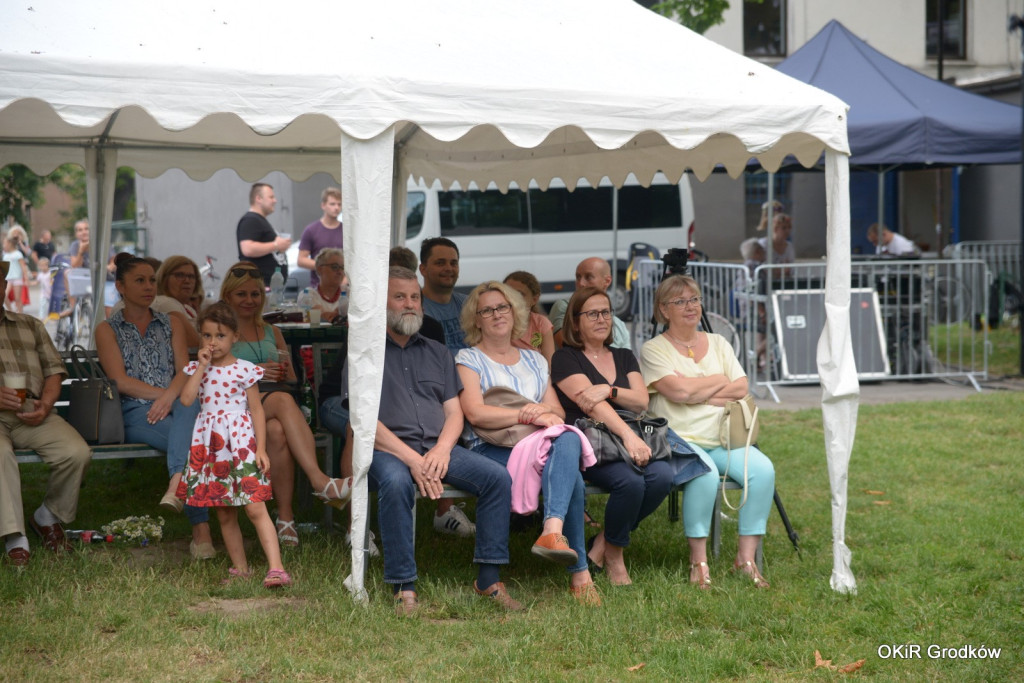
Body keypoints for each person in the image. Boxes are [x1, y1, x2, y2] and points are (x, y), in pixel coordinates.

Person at [343, 267, 521, 615]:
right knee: (395, 483)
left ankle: (488, 579)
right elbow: (363, 421)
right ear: (383, 304)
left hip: (439, 448)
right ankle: (403, 586)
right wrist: (412, 458)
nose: (409, 304)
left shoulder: (438, 351)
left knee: (497, 478)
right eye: (400, 297)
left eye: (414, 297)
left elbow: (455, 413)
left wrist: (440, 450)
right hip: (388, 450)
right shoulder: (365, 353)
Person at [456, 281, 601, 605]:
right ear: (476, 319)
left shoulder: (534, 358)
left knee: (565, 436)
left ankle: (553, 532)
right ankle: (579, 572)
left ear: (515, 312)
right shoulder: (469, 358)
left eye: (503, 307)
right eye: (487, 310)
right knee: (571, 468)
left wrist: (541, 414)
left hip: (536, 442)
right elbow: (476, 414)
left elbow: (558, 411)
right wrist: (527, 414)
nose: (496, 314)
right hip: (491, 445)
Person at [640, 274, 775, 589]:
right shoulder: (653, 349)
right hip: (681, 441)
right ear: (663, 309)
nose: (690, 307)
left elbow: (741, 386)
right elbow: (677, 393)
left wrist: (694, 390)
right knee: (704, 473)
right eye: (680, 301)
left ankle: (745, 558)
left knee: (764, 470)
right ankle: (698, 561)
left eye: (695, 299)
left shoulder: (718, 342)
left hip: (726, 437)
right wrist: (715, 380)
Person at [220, 262, 351, 547]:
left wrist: (278, 372)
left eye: (255, 294)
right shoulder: (220, 331)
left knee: (278, 430)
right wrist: (255, 371)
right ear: (228, 296)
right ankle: (319, 481)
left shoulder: (271, 331)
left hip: (269, 404)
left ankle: (285, 518)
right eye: (241, 294)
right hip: (232, 406)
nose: (249, 300)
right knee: (281, 401)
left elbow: (291, 377)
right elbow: (213, 377)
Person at [94, 253, 215, 559]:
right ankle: (201, 532)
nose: (149, 286)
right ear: (120, 286)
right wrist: (163, 396)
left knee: (189, 403)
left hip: (177, 403)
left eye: (151, 280)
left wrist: (170, 396)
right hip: (135, 412)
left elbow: (184, 371)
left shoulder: (171, 322)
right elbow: (120, 382)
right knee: (193, 441)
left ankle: (177, 484)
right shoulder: (107, 329)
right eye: (140, 280)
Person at [551, 286, 674, 587]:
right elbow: (589, 405)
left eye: (606, 312)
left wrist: (609, 389)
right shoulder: (565, 358)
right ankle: (616, 557)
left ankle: (604, 544)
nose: (601, 318)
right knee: (630, 482)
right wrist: (630, 439)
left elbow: (641, 401)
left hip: (632, 434)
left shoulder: (623, 355)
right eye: (592, 313)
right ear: (575, 320)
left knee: (662, 477)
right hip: (594, 444)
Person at [178, 302, 290, 588]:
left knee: (254, 506)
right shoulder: (197, 369)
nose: (213, 342)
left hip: (241, 444)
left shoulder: (245, 370)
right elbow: (187, 400)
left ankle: (276, 568)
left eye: (220, 335)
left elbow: (257, 410)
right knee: (224, 509)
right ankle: (241, 568)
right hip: (212, 446)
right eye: (206, 336)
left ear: (234, 337)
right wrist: (201, 366)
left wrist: (261, 448)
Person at [0, 260, 92, 567]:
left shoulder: (30, 324)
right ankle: (15, 536)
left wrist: (47, 403)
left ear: (5, 288)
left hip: (31, 412)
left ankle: (48, 515)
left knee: (75, 452)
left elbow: (54, 370)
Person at [417, 237, 476, 537]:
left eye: (453, 262)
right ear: (422, 268)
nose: (448, 268)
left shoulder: (468, 304)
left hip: (473, 383)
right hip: (435, 387)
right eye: (440, 262)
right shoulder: (416, 306)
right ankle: (444, 510)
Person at [111, 255, 203, 348]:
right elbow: (196, 345)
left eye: (191, 276)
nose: (187, 280)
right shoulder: (166, 303)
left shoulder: (186, 307)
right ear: (164, 277)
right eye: (179, 275)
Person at [548, 257, 630, 349]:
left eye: (589, 277)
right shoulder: (564, 307)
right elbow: (566, 345)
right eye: (578, 277)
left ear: (607, 281)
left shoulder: (620, 325)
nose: (581, 283)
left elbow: (628, 360)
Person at [237, 183, 291, 286]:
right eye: (271, 197)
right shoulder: (250, 220)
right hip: (258, 287)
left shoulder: (259, 220)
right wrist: (276, 245)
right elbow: (248, 249)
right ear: (258, 198)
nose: (275, 201)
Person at [503, 270, 555, 366]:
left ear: (534, 299)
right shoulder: (498, 321)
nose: (512, 298)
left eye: (520, 294)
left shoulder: (541, 323)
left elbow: (549, 364)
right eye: (508, 293)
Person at [297, 187, 343, 289]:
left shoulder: (346, 231)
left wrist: (345, 279)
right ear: (323, 205)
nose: (336, 207)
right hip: (317, 289)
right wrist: (326, 266)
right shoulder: (311, 230)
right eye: (332, 204)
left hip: (341, 289)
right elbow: (301, 260)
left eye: (339, 204)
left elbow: (353, 260)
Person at [308, 248, 349, 323]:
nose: (340, 271)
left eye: (342, 267)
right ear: (320, 269)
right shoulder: (308, 295)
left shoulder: (350, 293)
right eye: (335, 267)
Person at [3, 236, 28, 313]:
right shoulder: (5, 255)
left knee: (17, 298)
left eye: (5, 243)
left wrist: (26, 278)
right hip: (8, 278)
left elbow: (23, 267)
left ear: (10, 244)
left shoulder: (18, 254)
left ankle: (20, 313)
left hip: (17, 278)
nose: (3, 245)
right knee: (3, 295)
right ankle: (11, 311)